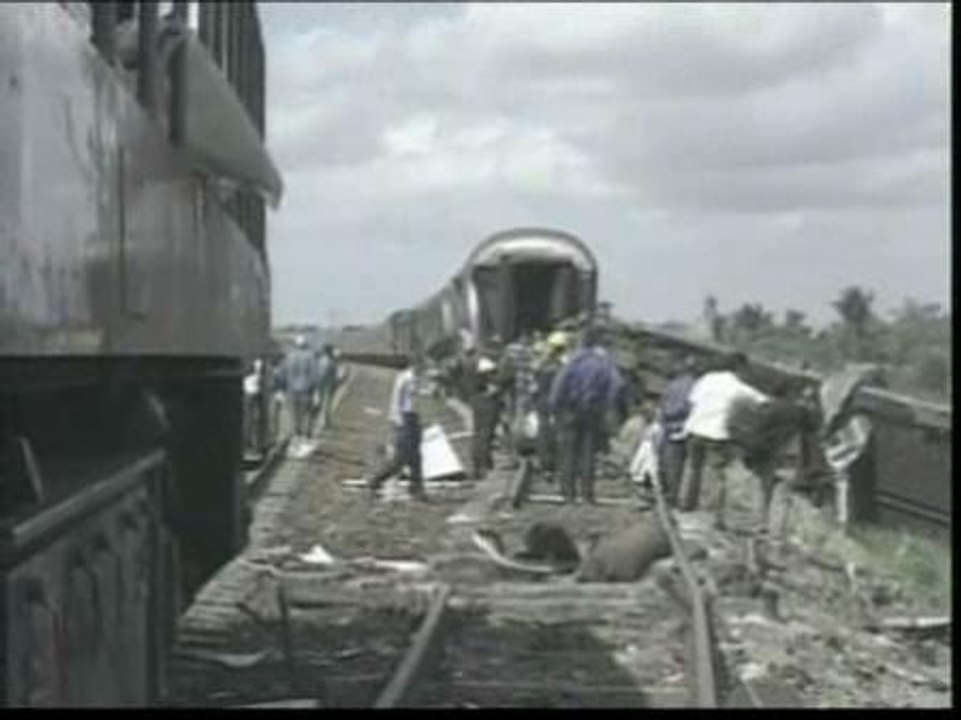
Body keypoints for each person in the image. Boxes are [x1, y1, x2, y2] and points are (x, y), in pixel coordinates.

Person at [677, 352, 767, 529]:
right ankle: (708, 514)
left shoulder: (707, 379)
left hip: (694, 428)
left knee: (691, 467)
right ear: (740, 368)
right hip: (717, 434)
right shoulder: (738, 387)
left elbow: (692, 400)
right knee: (713, 473)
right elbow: (762, 401)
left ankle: (684, 504)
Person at [548, 325, 625, 505]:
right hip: (593, 413)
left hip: (570, 411)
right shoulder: (603, 363)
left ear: (582, 342)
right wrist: (606, 403)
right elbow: (618, 385)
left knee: (568, 453)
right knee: (588, 453)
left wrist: (554, 408)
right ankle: (587, 495)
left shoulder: (573, 361)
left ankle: (569, 494)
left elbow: (558, 387)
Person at [366, 358, 428, 502]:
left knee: (416, 458)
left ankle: (416, 489)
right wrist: (398, 420)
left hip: (412, 419)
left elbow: (415, 398)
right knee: (400, 459)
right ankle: (375, 481)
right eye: (422, 365)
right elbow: (399, 400)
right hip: (405, 419)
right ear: (415, 365)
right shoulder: (406, 378)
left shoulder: (411, 378)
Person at [657, 356, 699, 505]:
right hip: (689, 428)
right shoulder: (696, 385)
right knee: (688, 466)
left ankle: (673, 495)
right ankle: (684, 498)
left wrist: (666, 415)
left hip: (672, 427)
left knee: (671, 463)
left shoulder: (673, 385)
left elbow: (665, 406)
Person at [532, 331, 569, 482]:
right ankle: (558, 464)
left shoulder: (541, 365)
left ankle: (546, 466)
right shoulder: (563, 367)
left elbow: (534, 387)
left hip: (543, 402)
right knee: (558, 433)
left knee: (544, 432)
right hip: (559, 404)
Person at [283, 336, 321, 446]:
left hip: (291, 390)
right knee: (306, 414)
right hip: (306, 389)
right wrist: (316, 390)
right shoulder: (311, 356)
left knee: (294, 414)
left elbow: (285, 373)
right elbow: (315, 375)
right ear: (306, 344)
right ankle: (305, 438)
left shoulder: (289, 356)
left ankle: (295, 437)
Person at [470, 357, 503, 481]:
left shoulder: (476, 383)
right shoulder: (490, 381)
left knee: (478, 434)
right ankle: (483, 465)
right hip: (488, 406)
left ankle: (479, 465)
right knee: (485, 435)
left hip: (478, 404)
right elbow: (494, 391)